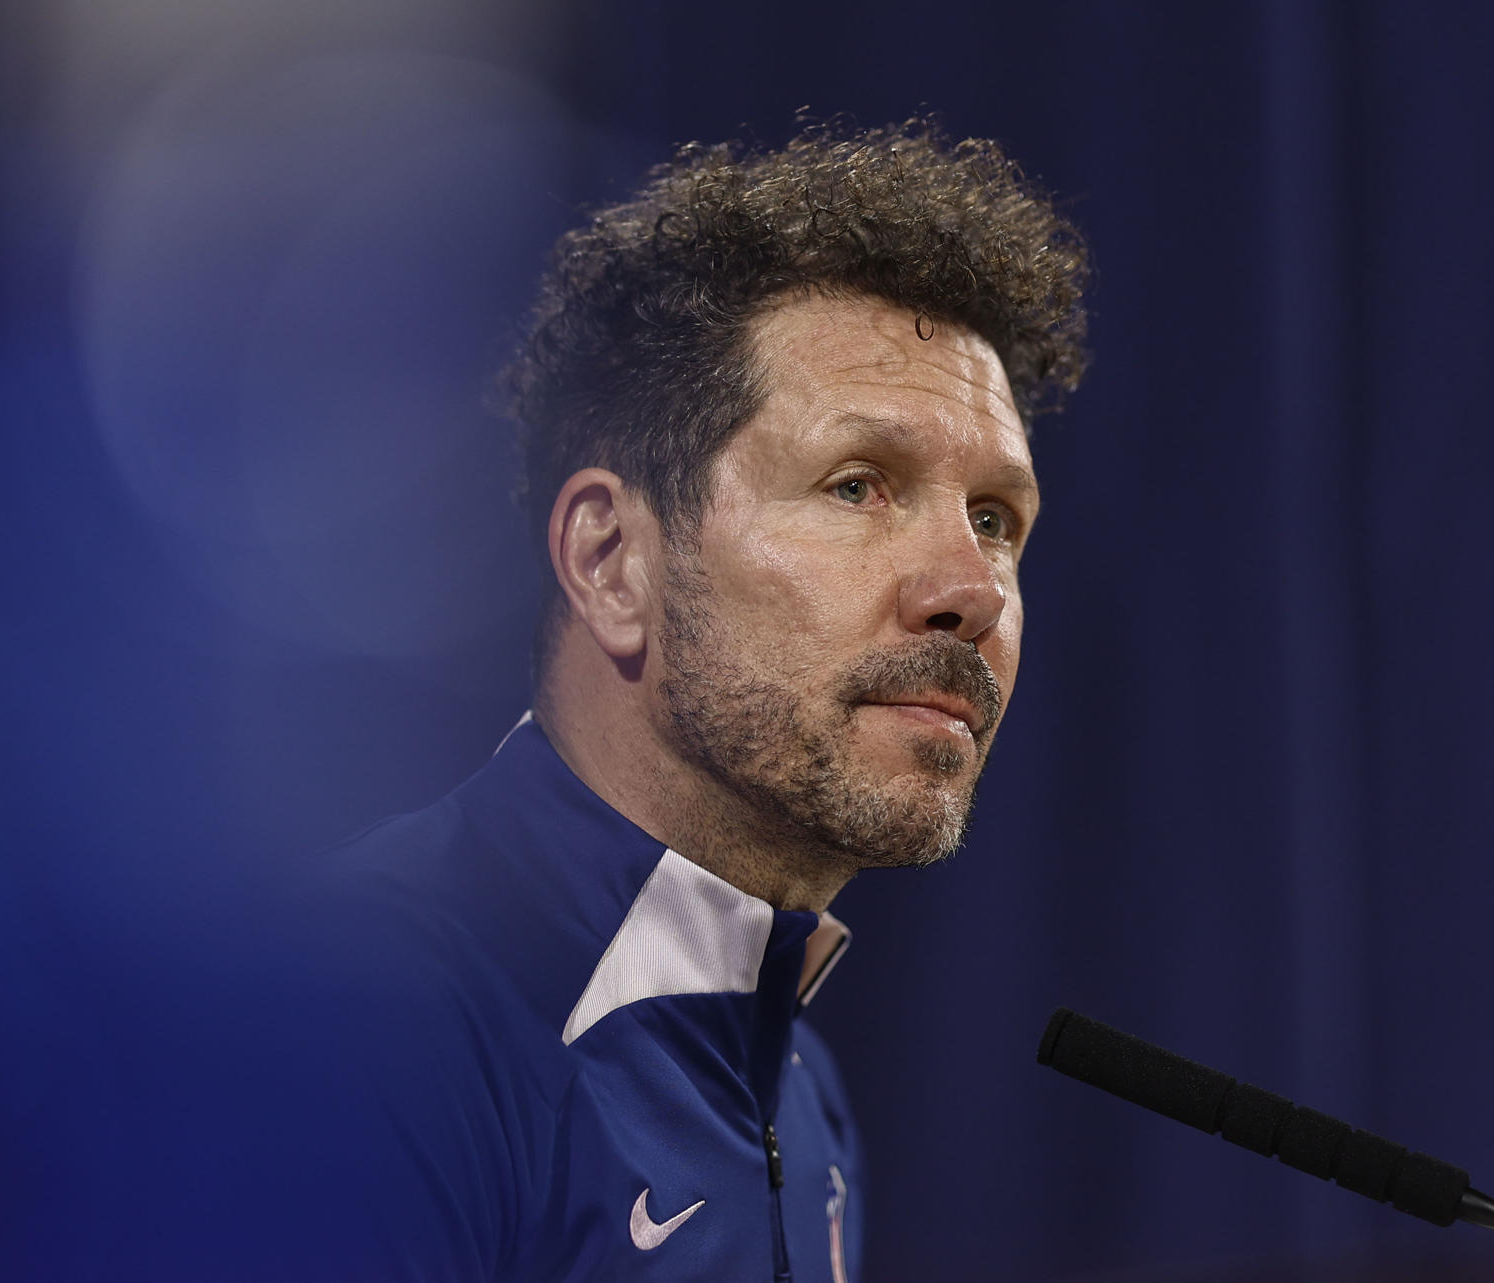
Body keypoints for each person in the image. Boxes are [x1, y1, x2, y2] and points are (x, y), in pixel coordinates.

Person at [311, 118, 1089, 1282]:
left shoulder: (804, 1095)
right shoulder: (361, 1023)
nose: (971, 589)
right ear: (612, 562)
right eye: (859, 484)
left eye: (996, 518)